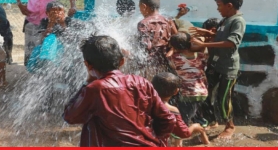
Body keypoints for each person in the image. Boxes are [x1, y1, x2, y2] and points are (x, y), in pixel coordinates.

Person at [63, 35, 191, 147]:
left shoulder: (94, 89)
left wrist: (87, 81)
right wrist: (153, 139)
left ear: (88, 65)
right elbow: (168, 119)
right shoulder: (142, 82)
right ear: (122, 61)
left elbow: (70, 116)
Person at [190, 0, 246, 139]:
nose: (217, 8)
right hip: (214, 65)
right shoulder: (225, 20)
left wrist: (207, 43)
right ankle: (212, 120)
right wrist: (208, 34)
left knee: (223, 99)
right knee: (205, 93)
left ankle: (230, 126)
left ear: (229, 5)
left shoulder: (237, 21)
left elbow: (231, 42)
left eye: (219, 5)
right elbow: (221, 36)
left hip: (228, 68)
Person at [14, 0, 77, 66]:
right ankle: (30, 68)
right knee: (31, 46)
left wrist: (73, 6)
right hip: (32, 20)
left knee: (46, 45)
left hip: (48, 22)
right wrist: (20, 5)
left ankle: (46, 67)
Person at [164, 32, 210, 146]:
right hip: (202, 92)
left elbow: (167, 56)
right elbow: (204, 54)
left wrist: (172, 48)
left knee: (183, 121)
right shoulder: (200, 55)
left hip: (188, 94)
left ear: (174, 46)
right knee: (197, 115)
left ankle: (178, 145)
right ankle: (205, 141)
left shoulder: (175, 58)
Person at [152, 72, 209, 147]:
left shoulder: (144, 103)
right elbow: (184, 133)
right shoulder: (172, 110)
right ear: (176, 91)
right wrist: (194, 127)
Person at [137, 0, 177, 81]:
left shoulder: (143, 23)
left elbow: (144, 46)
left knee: (149, 91)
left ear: (144, 6)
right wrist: (171, 51)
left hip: (149, 66)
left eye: (139, 7)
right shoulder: (168, 20)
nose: (140, 11)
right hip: (165, 64)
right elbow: (177, 39)